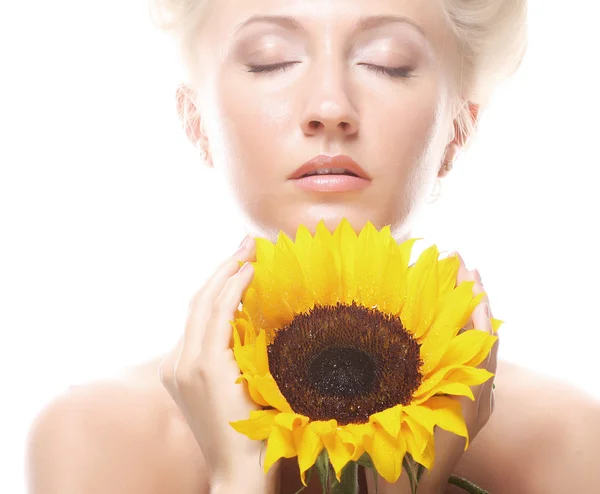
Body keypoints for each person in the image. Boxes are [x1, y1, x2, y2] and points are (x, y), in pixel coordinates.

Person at [24, 0, 600, 493]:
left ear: (460, 125)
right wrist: (238, 477)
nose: (330, 108)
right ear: (195, 118)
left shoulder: (567, 445)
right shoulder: (95, 443)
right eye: (269, 59)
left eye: (387, 64)